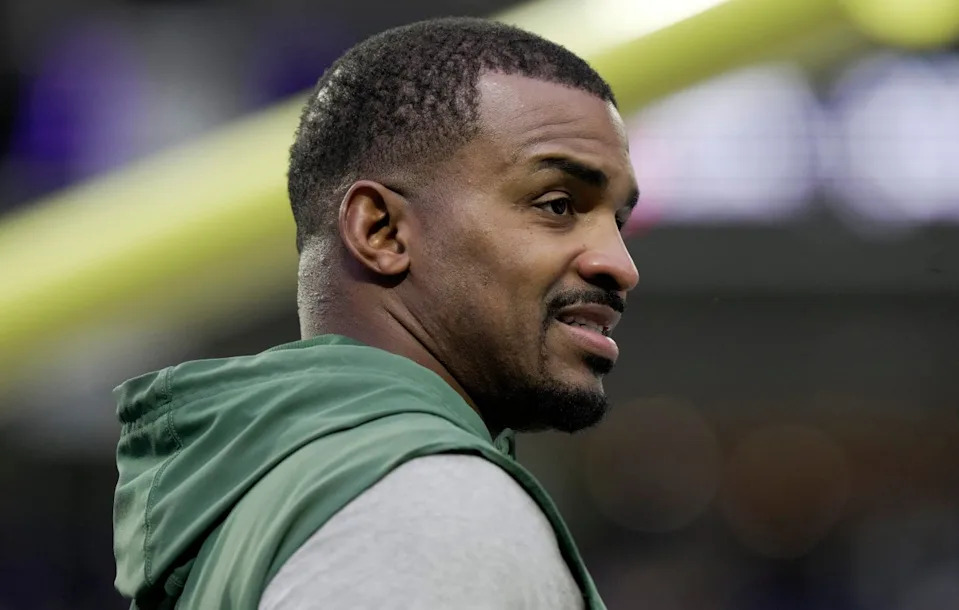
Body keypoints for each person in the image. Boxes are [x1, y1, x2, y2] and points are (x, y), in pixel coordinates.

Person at [113, 16, 639, 610]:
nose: (620, 266)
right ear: (381, 230)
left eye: (618, 223)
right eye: (558, 205)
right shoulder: (434, 510)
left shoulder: (274, 490)